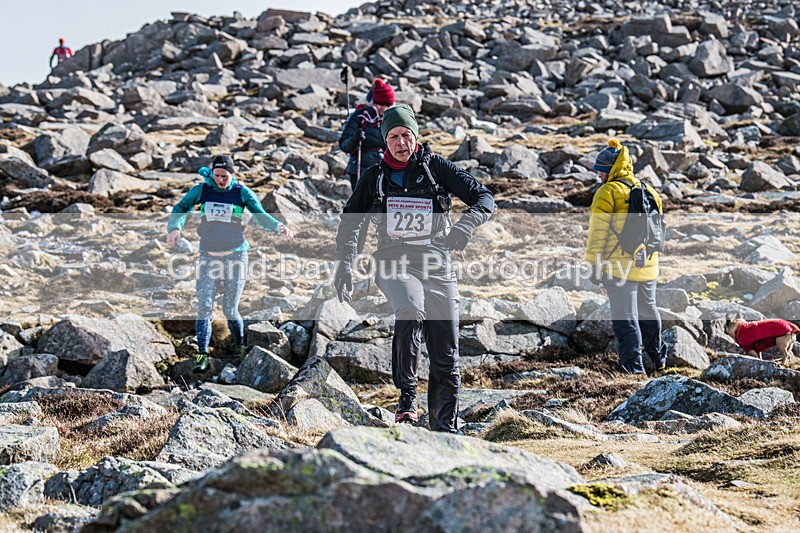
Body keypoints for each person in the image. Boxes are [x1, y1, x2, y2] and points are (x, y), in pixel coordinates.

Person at [333, 104, 495, 432]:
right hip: (392, 262)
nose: (400, 142)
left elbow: (484, 197)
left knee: (446, 353)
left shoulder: (436, 168)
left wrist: (465, 226)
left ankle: (443, 429)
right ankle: (407, 399)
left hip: (436, 263)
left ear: (416, 136)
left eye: (406, 135)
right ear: (384, 140)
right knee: (410, 307)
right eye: (393, 136)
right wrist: (345, 265)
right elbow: (350, 223)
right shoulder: (374, 177)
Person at [166, 155, 293, 373]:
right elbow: (181, 207)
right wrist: (175, 227)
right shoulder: (202, 190)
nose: (221, 180)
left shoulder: (242, 192)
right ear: (212, 173)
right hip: (208, 257)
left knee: (230, 308)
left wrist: (278, 227)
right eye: (217, 176)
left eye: (225, 176)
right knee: (204, 307)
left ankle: (237, 345)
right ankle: (203, 354)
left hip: (236, 256)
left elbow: (260, 216)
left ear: (232, 174)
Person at [584, 138, 667, 375]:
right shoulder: (649, 190)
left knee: (625, 318)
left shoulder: (607, 192)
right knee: (649, 311)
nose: (598, 174)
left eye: (600, 169)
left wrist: (593, 265)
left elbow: (597, 234)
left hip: (618, 267)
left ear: (611, 169)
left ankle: (634, 370)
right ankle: (658, 358)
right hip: (647, 265)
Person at [338, 78, 395, 190]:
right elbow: (344, 145)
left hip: (385, 169)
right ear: (374, 103)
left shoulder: (392, 119)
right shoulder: (360, 117)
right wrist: (354, 139)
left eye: (388, 105)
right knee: (363, 204)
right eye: (381, 105)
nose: (384, 109)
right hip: (359, 168)